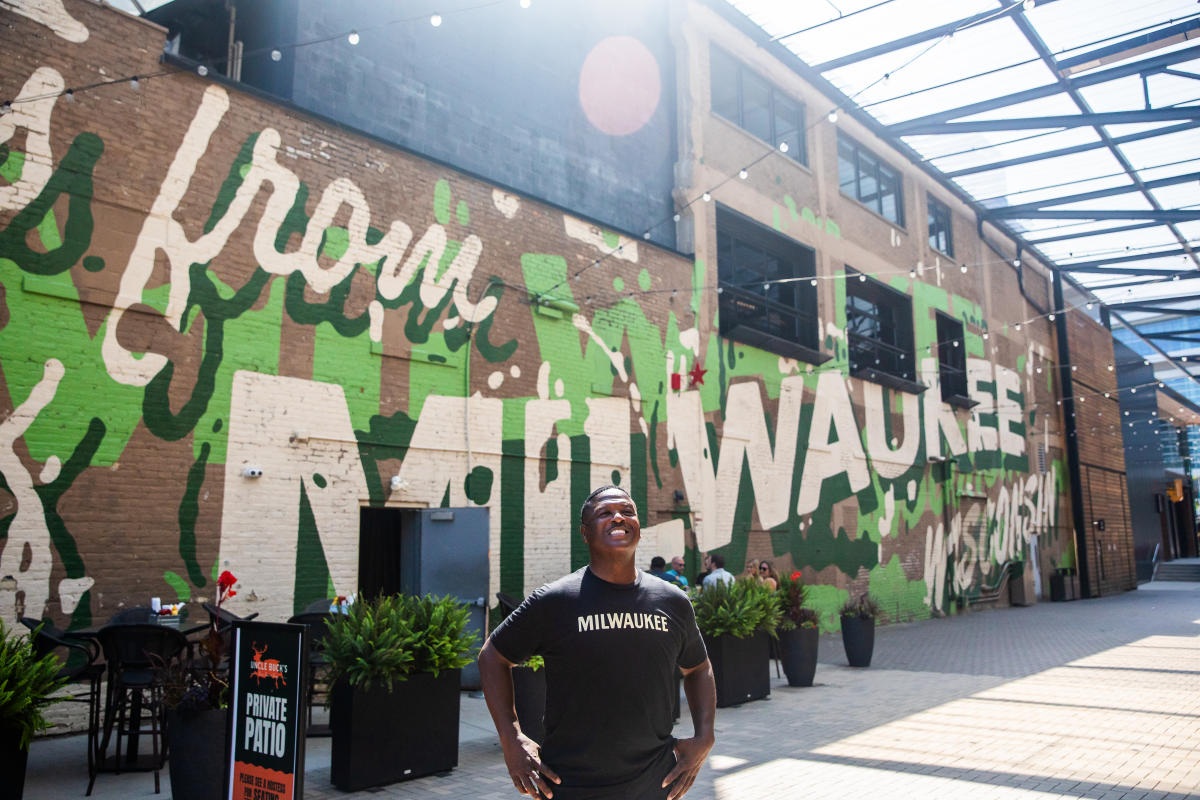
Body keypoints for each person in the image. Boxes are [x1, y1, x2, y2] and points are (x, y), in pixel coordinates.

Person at [478, 485, 716, 800]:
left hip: (654, 784)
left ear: (639, 530)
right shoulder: (555, 600)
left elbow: (699, 667)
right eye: (605, 513)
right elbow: (492, 657)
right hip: (572, 785)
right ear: (585, 533)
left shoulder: (672, 601)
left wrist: (705, 737)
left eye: (627, 511)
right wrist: (512, 739)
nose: (618, 517)